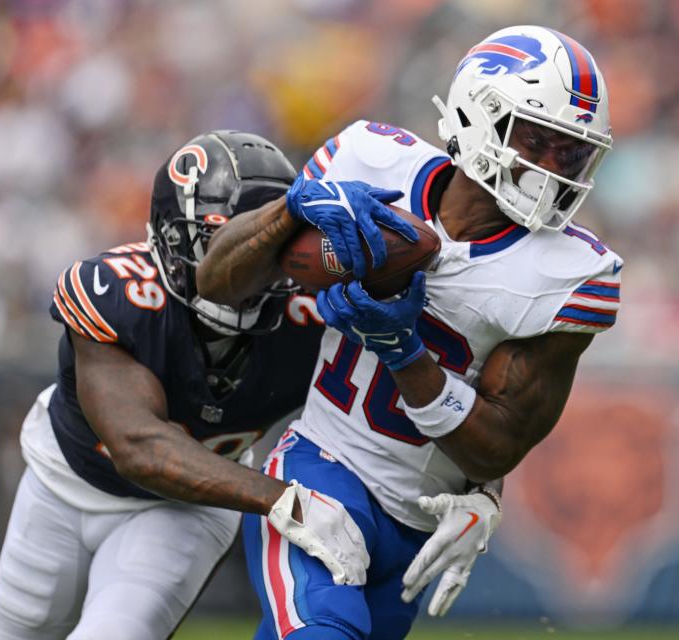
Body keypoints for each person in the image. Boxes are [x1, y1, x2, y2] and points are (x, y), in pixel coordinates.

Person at [197, 26, 623, 640]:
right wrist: (294, 206)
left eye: (572, 152)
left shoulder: (569, 275)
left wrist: (403, 351)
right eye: (541, 141)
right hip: (321, 467)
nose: (556, 167)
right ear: (482, 118)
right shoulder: (368, 157)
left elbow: (498, 445)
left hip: (419, 520)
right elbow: (217, 280)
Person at [0, 131, 371, 640]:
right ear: (171, 238)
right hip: (64, 484)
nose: (244, 272)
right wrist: (283, 500)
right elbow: (139, 446)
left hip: (186, 508)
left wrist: (477, 486)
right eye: (218, 244)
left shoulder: (312, 315)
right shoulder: (116, 292)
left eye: (262, 249)